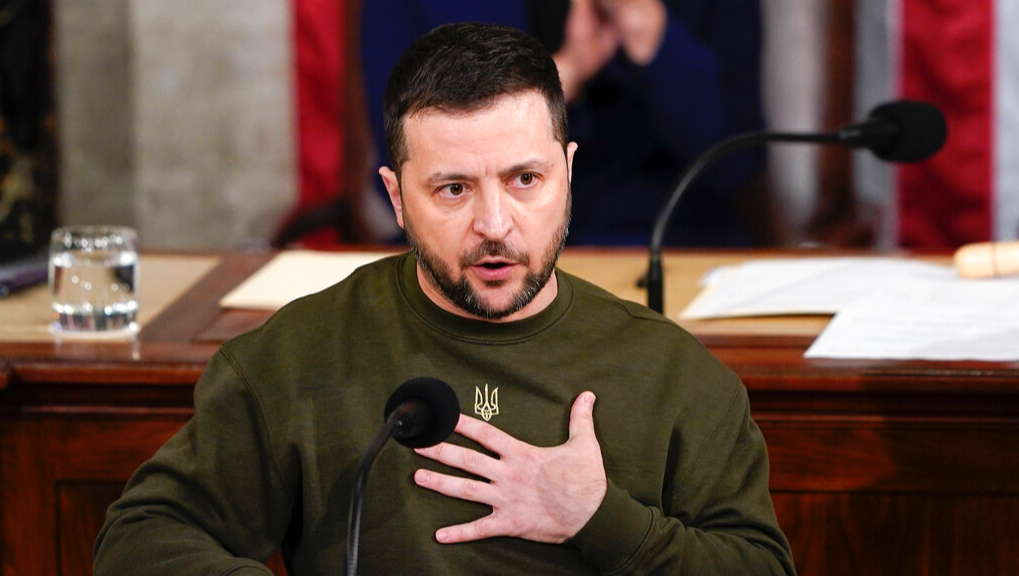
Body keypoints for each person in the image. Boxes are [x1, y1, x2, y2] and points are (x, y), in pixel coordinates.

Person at [93, 23, 795, 575]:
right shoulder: (298, 354)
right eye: (453, 189)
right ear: (397, 196)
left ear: (568, 172)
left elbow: (759, 565)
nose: (494, 224)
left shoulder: (674, 373)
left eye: (525, 180)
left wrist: (599, 518)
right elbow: (143, 536)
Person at [363, 0, 767, 247]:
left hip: (665, 242)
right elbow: (403, 161)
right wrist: (563, 76)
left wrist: (652, 36)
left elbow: (736, 163)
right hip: (478, 247)